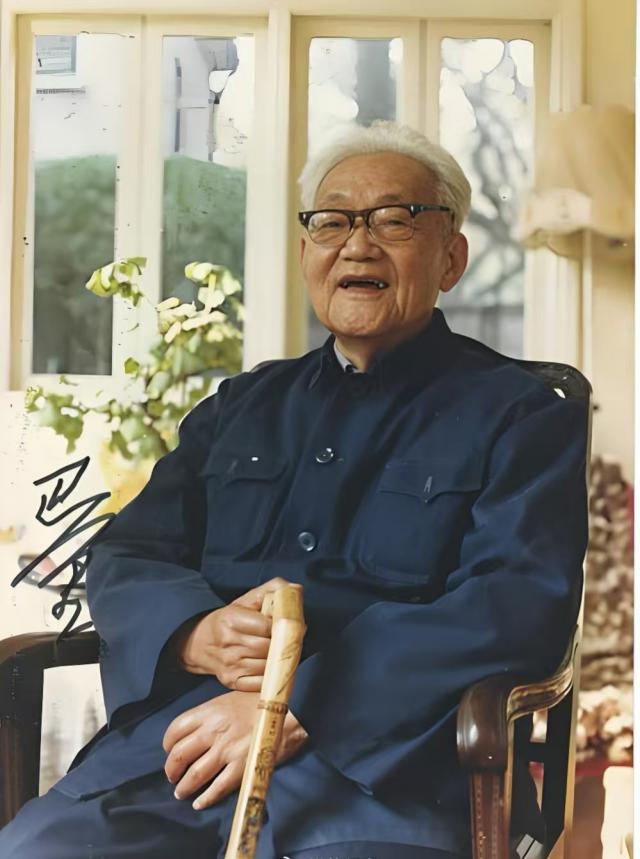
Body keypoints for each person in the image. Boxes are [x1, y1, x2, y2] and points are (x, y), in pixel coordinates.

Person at [0, 121, 588, 859]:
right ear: (308, 251)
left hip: (388, 775)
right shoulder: (239, 406)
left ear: (452, 258)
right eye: (332, 221)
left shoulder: (522, 414)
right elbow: (127, 553)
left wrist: (296, 703)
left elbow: (516, 602)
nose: (358, 244)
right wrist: (195, 632)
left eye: (395, 219)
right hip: (182, 757)